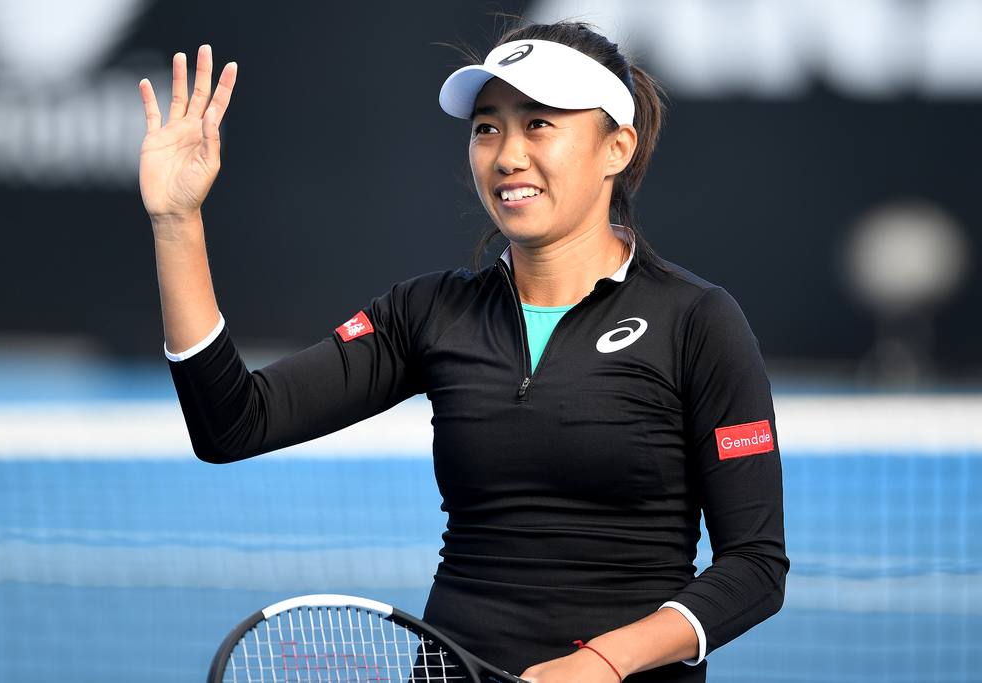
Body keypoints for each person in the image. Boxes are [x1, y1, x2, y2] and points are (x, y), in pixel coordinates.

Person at [139, 21, 787, 683]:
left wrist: (603, 661)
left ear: (616, 147)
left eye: (538, 125)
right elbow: (231, 422)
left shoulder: (698, 321)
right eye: (487, 127)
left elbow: (756, 569)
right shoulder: (429, 312)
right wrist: (176, 221)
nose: (506, 156)